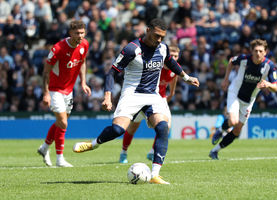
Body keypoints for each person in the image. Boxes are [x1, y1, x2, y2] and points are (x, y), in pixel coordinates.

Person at [73, 18, 199, 184]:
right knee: (118, 130)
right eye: (156, 35)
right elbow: (112, 72)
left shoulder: (163, 48)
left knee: (162, 127)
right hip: (131, 95)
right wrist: (108, 96)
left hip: (152, 96)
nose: (159, 40)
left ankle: (155, 174)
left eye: (162, 37)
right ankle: (93, 144)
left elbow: (170, 61)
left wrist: (187, 77)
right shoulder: (132, 49)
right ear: (147, 31)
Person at [209, 39, 277, 160]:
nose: (257, 53)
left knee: (237, 130)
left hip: (249, 100)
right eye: (255, 50)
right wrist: (226, 79)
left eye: (260, 51)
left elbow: (275, 88)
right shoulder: (244, 59)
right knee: (233, 121)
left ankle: (215, 151)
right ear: (251, 51)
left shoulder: (270, 66)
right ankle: (220, 130)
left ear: (265, 52)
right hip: (235, 93)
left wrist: (268, 84)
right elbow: (231, 61)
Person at [37, 20, 91, 167]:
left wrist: (83, 82)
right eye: (76, 33)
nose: (80, 36)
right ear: (70, 33)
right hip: (55, 90)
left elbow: (83, 61)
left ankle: (44, 147)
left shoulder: (84, 44)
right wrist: (46, 93)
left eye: (82, 33)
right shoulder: (58, 48)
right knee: (63, 122)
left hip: (69, 90)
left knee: (61, 122)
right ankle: (60, 158)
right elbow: (46, 72)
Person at [119, 44, 180, 164]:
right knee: (133, 127)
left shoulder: (175, 69)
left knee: (165, 127)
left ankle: (152, 153)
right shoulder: (156, 65)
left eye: (176, 56)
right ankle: (123, 152)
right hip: (144, 97)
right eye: (171, 55)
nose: (173, 58)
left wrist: (172, 93)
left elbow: (174, 78)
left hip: (159, 98)